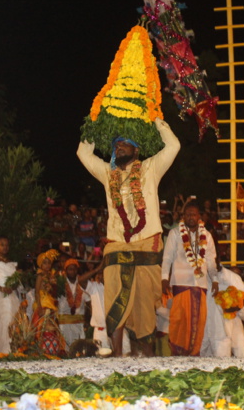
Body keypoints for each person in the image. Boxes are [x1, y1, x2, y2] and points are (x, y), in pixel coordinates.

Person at [77, 117, 180, 356]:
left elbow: (173, 146)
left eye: (124, 143)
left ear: (137, 149)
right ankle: (117, 354)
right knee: (115, 298)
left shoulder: (150, 168)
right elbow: (83, 153)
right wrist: (94, 124)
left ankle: (147, 355)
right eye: (116, 144)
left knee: (145, 302)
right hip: (116, 245)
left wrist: (156, 120)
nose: (118, 147)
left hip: (146, 243)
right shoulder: (107, 173)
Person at [161, 201, 218, 356]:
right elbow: (167, 258)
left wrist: (215, 280)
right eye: (187, 214)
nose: (190, 217)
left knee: (199, 323)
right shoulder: (175, 234)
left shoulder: (207, 235)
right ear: (183, 216)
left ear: (199, 216)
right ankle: (178, 355)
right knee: (179, 322)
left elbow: (211, 261)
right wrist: (164, 279)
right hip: (180, 284)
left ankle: (193, 356)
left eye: (193, 214)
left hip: (200, 286)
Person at [202, 262, 244, 357]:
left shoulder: (233, 278)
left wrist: (234, 307)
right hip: (206, 335)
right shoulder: (199, 279)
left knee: (240, 366)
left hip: (233, 333)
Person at [32, 249, 65, 356]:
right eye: (44, 263)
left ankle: (51, 349)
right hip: (42, 303)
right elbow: (37, 292)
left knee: (51, 327)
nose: (47, 265)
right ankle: (40, 350)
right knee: (41, 327)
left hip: (50, 303)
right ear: (40, 264)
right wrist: (40, 307)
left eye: (49, 263)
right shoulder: (40, 275)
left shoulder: (51, 276)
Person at [57, 259, 89, 352]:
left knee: (79, 348)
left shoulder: (83, 282)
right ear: (65, 270)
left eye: (74, 269)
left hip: (79, 321)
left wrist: (88, 318)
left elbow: (88, 301)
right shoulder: (60, 282)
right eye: (70, 269)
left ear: (77, 270)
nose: (72, 271)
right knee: (65, 348)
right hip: (64, 322)